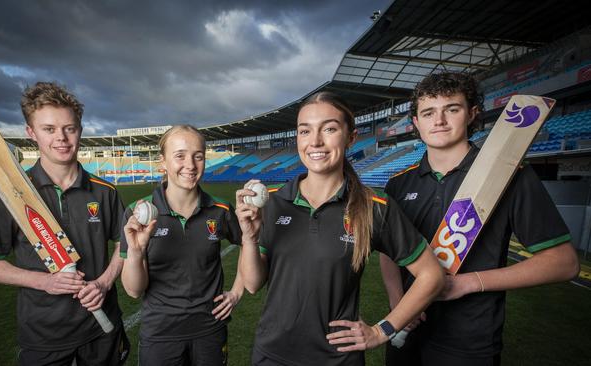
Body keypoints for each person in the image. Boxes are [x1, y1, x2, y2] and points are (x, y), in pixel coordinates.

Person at [380, 72, 580, 366]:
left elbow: (564, 262)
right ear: (416, 123)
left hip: (469, 343)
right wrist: (398, 302)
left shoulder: (511, 177)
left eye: (452, 109)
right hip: (407, 328)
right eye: (428, 112)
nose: (439, 121)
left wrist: (469, 283)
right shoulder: (398, 184)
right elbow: (389, 250)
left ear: (472, 114)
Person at [236, 91, 445, 365]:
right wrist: (250, 238)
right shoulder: (273, 201)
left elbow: (432, 275)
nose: (315, 142)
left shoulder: (375, 206)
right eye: (304, 131)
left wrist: (382, 330)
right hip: (271, 354)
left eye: (330, 128)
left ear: (351, 137)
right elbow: (252, 284)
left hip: (338, 359)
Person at [0, 81, 129, 365]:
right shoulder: (11, 195)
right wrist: (45, 281)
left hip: (102, 331)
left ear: (79, 129)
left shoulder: (105, 192)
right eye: (49, 129)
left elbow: (123, 244)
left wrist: (104, 283)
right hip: (44, 336)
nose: (62, 138)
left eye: (69, 128)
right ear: (31, 133)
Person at [121, 125, 244, 366]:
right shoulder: (137, 212)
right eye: (180, 155)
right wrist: (136, 252)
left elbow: (249, 243)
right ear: (163, 162)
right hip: (160, 335)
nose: (190, 164)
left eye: (198, 156)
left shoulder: (220, 210)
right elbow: (134, 291)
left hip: (210, 329)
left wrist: (236, 292)